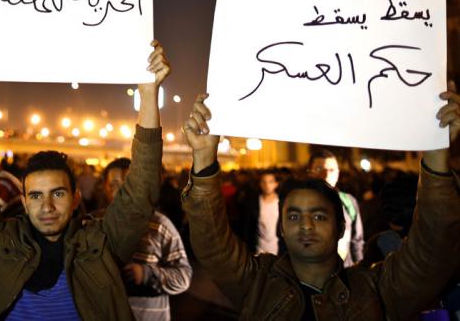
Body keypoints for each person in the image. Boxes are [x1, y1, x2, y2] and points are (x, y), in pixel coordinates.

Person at [180, 86, 460, 320]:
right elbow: (212, 244)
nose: (305, 225)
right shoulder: (257, 284)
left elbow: (430, 251)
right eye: (293, 216)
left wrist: (436, 156)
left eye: (319, 216)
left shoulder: (375, 289)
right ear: (280, 229)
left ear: (341, 226)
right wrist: (204, 159)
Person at [0, 39, 169, 320]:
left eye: (58, 194)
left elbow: (140, 192)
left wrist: (148, 93)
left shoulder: (102, 247)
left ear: (75, 199)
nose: (46, 206)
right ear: (23, 202)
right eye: (36, 196)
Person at [101, 157, 192, 321]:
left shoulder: (160, 225)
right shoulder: (95, 226)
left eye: (128, 183)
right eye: (114, 185)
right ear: (105, 189)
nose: (121, 190)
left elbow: (183, 277)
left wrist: (145, 274)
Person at [308, 149, 365, 266]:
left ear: (338, 173)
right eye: (319, 169)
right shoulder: (299, 203)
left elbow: (356, 242)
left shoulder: (349, 202)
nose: (326, 174)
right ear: (310, 172)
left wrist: (359, 269)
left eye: (331, 170)